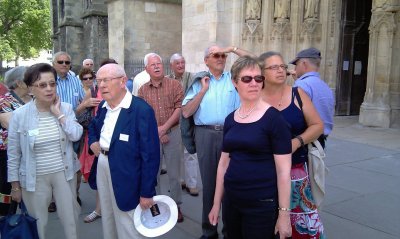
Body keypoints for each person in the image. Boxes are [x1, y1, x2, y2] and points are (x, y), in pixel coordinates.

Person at [208, 56, 292, 239]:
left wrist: (284, 215)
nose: (254, 83)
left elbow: (284, 171)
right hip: (232, 201)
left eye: (258, 78)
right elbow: (223, 164)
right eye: (247, 79)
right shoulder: (231, 119)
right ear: (235, 82)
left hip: (261, 203)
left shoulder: (275, 120)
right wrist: (216, 204)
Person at [182, 44, 254, 239]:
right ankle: (209, 231)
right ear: (206, 60)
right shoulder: (199, 82)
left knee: (231, 184)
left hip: (232, 133)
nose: (220, 58)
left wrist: (232, 48)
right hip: (205, 135)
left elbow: (255, 61)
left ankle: (230, 231)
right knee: (210, 186)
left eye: (223, 55)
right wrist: (203, 90)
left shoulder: (234, 79)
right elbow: (187, 111)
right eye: (216, 55)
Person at [7, 63, 83, 239]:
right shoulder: (20, 115)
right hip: (34, 177)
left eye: (52, 83)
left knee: (70, 220)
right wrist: (15, 185)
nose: (49, 89)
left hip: (64, 174)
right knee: (38, 223)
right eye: (42, 85)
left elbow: (76, 135)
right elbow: (14, 153)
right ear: (31, 89)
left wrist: (59, 114)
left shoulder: (65, 108)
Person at [88, 63, 160, 238]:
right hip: (103, 165)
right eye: (99, 81)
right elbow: (93, 126)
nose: (102, 85)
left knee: (128, 221)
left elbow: (150, 155)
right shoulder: (104, 106)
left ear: (123, 81)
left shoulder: (141, 110)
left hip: (127, 170)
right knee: (108, 216)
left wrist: (146, 192)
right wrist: (93, 141)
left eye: (106, 80)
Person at [259, 51, 325, 238]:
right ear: (262, 73)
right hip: (265, 170)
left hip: (296, 171)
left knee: (300, 225)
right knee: (266, 223)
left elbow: (318, 125)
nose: (281, 70)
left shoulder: (297, 93)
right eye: (274, 67)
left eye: (282, 67)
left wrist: (297, 142)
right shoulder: (254, 96)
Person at [138, 53, 185, 222]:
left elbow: (179, 109)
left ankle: (176, 206)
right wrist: (157, 133)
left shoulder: (174, 85)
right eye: (153, 64)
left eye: (159, 63)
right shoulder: (142, 90)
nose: (157, 66)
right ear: (146, 69)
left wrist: (164, 129)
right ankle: (155, 206)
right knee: (153, 174)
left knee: (174, 174)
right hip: (152, 137)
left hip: (172, 133)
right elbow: (142, 116)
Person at [289, 47, 335, 148]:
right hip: (320, 141)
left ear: (304, 64)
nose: (295, 68)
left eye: (296, 64)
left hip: (304, 141)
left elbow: (293, 115)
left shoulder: (301, 85)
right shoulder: (325, 86)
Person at [167, 53, 199, 197]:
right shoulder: (167, 81)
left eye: (182, 62)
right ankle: (180, 181)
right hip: (173, 122)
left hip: (189, 122)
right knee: (176, 154)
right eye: (177, 63)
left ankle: (192, 184)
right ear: (171, 66)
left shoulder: (192, 78)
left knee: (190, 153)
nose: (181, 65)